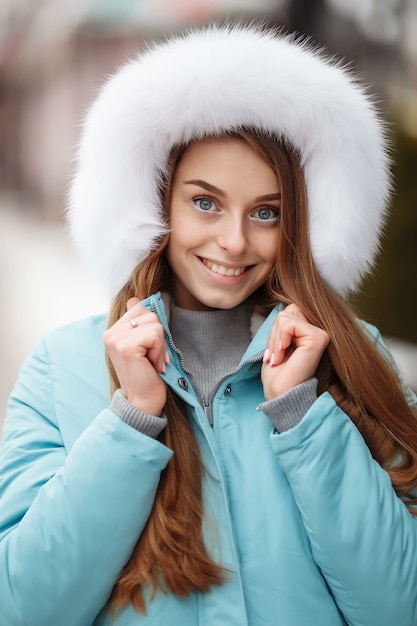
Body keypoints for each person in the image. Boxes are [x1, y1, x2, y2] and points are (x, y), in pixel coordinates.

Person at [1, 24, 417, 626]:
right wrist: (132, 423)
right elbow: (24, 607)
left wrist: (304, 417)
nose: (234, 241)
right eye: (205, 202)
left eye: (267, 212)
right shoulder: (63, 366)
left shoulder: (354, 358)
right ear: (156, 200)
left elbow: (400, 606)